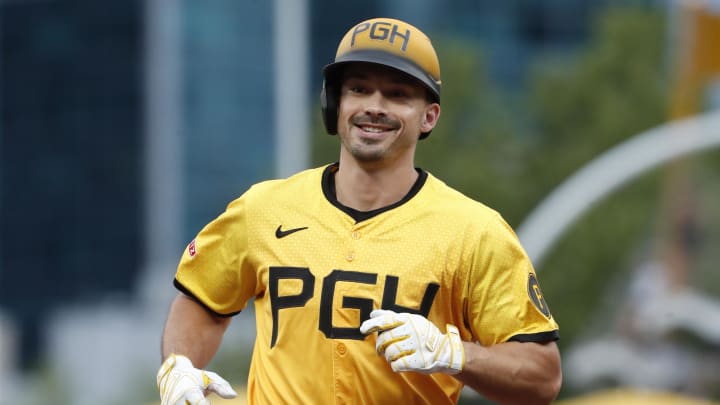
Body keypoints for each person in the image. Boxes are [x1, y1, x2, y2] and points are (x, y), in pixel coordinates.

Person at [156, 17, 562, 405]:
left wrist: (454, 354)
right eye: (359, 90)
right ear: (335, 103)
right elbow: (202, 303)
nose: (375, 106)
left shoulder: (474, 231)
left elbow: (542, 376)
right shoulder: (263, 209)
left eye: (398, 94)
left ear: (429, 116)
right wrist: (178, 365)